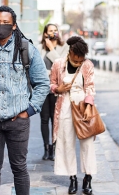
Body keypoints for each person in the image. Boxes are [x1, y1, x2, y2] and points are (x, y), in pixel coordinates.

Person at [0, 6, 50, 195]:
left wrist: (29, 111)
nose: (1, 26)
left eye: (6, 23)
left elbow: (42, 84)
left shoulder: (26, 49)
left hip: (19, 121)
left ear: (14, 25)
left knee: (19, 167)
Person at [50, 36, 97, 194]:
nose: (78, 63)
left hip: (83, 106)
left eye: (80, 61)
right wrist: (58, 89)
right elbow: (52, 83)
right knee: (66, 142)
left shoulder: (87, 65)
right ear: (69, 53)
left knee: (87, 143)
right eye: (75, 60)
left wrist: (89, 106)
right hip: (64, 106)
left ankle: (88, 178)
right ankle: (72, 178)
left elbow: (90, 85)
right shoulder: (58, 64)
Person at [37, 23, 69, 161]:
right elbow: (36, 68)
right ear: (45, 34)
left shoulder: (64, 47)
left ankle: (55, 148)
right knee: (44, 119)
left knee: (55, 119)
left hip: (58, 89)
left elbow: (62, 65)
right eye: (50, 31)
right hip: (44, 88)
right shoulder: (39, 49)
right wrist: (49, 73)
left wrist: (51, 48)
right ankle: (46, 148)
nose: (53, 33)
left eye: (55, 30)